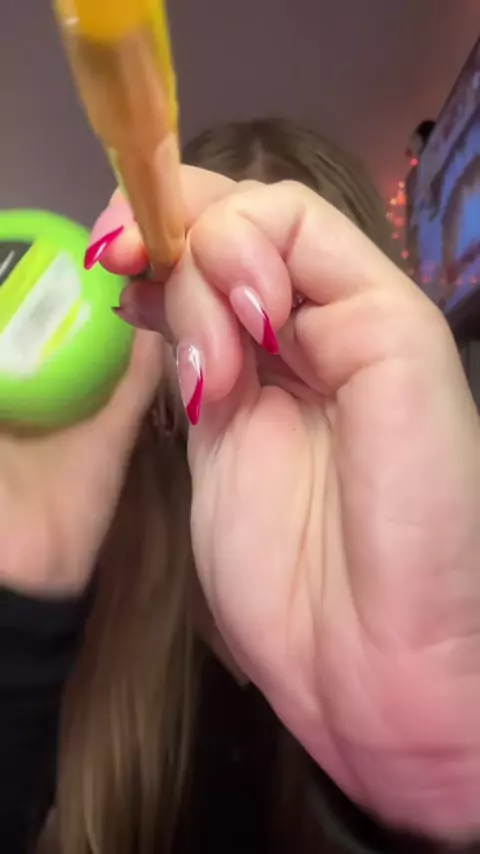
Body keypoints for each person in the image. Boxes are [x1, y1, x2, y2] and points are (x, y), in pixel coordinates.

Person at [1, 118, 479, 854]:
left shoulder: (445, 597)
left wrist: (447, 763)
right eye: (211, 307)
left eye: (306, 313)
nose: (265, 360)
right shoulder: (66, 623)